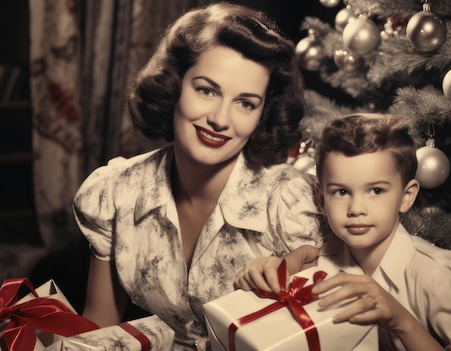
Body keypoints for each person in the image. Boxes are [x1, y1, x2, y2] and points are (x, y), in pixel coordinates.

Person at [72, 3, 324, 350]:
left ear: (263, 113)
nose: (221, 119)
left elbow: (324, 332)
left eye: (245, 103)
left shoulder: (290, 202)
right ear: (174, 86)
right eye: (207, 90)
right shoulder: (115, 191)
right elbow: (99, 326)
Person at [235, 114, 451, 350]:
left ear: (406, 195)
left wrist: (400, 322)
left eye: (376, 191)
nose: (356, 208)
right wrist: (258, 277)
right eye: (341, 192)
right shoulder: (320, 262)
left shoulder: (438, 275)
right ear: (321, 199)